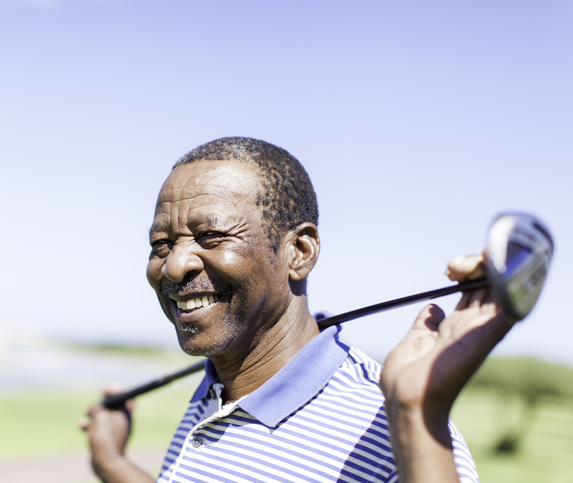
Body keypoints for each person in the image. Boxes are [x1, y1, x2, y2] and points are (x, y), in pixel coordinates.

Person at [81, 137, 514, 483]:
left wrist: (418, 418)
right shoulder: (217, 390)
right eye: (162, 244)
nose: (174, 264)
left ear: (299, 252)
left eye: (211, 235)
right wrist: (113, 464)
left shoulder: (398, 436)